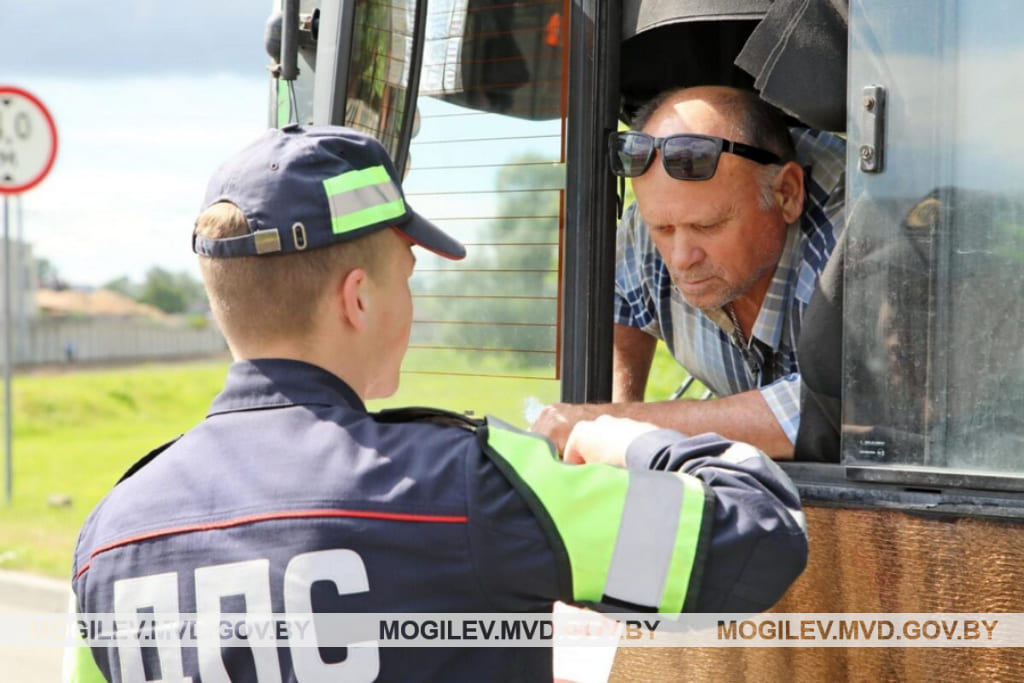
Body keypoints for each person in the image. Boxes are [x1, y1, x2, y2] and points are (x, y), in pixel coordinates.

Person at [68, 124, 808, 682]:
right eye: (408, 278)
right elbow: (759, 534)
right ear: (358, 298)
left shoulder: (109, 537)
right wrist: (627, 439)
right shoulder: (468, 490)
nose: (412, 306)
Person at [531, 85, 845, 459]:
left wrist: (608, 423)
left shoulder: (857, 232)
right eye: (662, 229)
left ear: (787, 194)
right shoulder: (646, 232)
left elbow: (834, 410)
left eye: (709, 226)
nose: (681, 258)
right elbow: (619, 306)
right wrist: (609, 431)